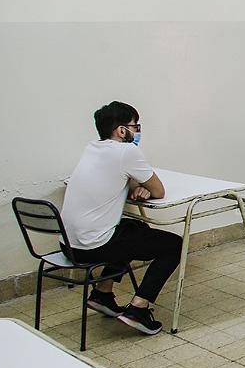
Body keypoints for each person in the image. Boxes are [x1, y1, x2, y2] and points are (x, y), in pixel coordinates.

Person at [61, 101, 182, 336]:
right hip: (92, 247)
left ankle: (102, 294)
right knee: (174, 245)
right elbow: (159, 191)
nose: (138, 132)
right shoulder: (127, 152)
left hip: (69, 245)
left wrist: (138, 186)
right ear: (121, 130)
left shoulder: (92, 148)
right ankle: (138, 309)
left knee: (133, 227)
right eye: (135, 127)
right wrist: (143, 186)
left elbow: (124, 178)